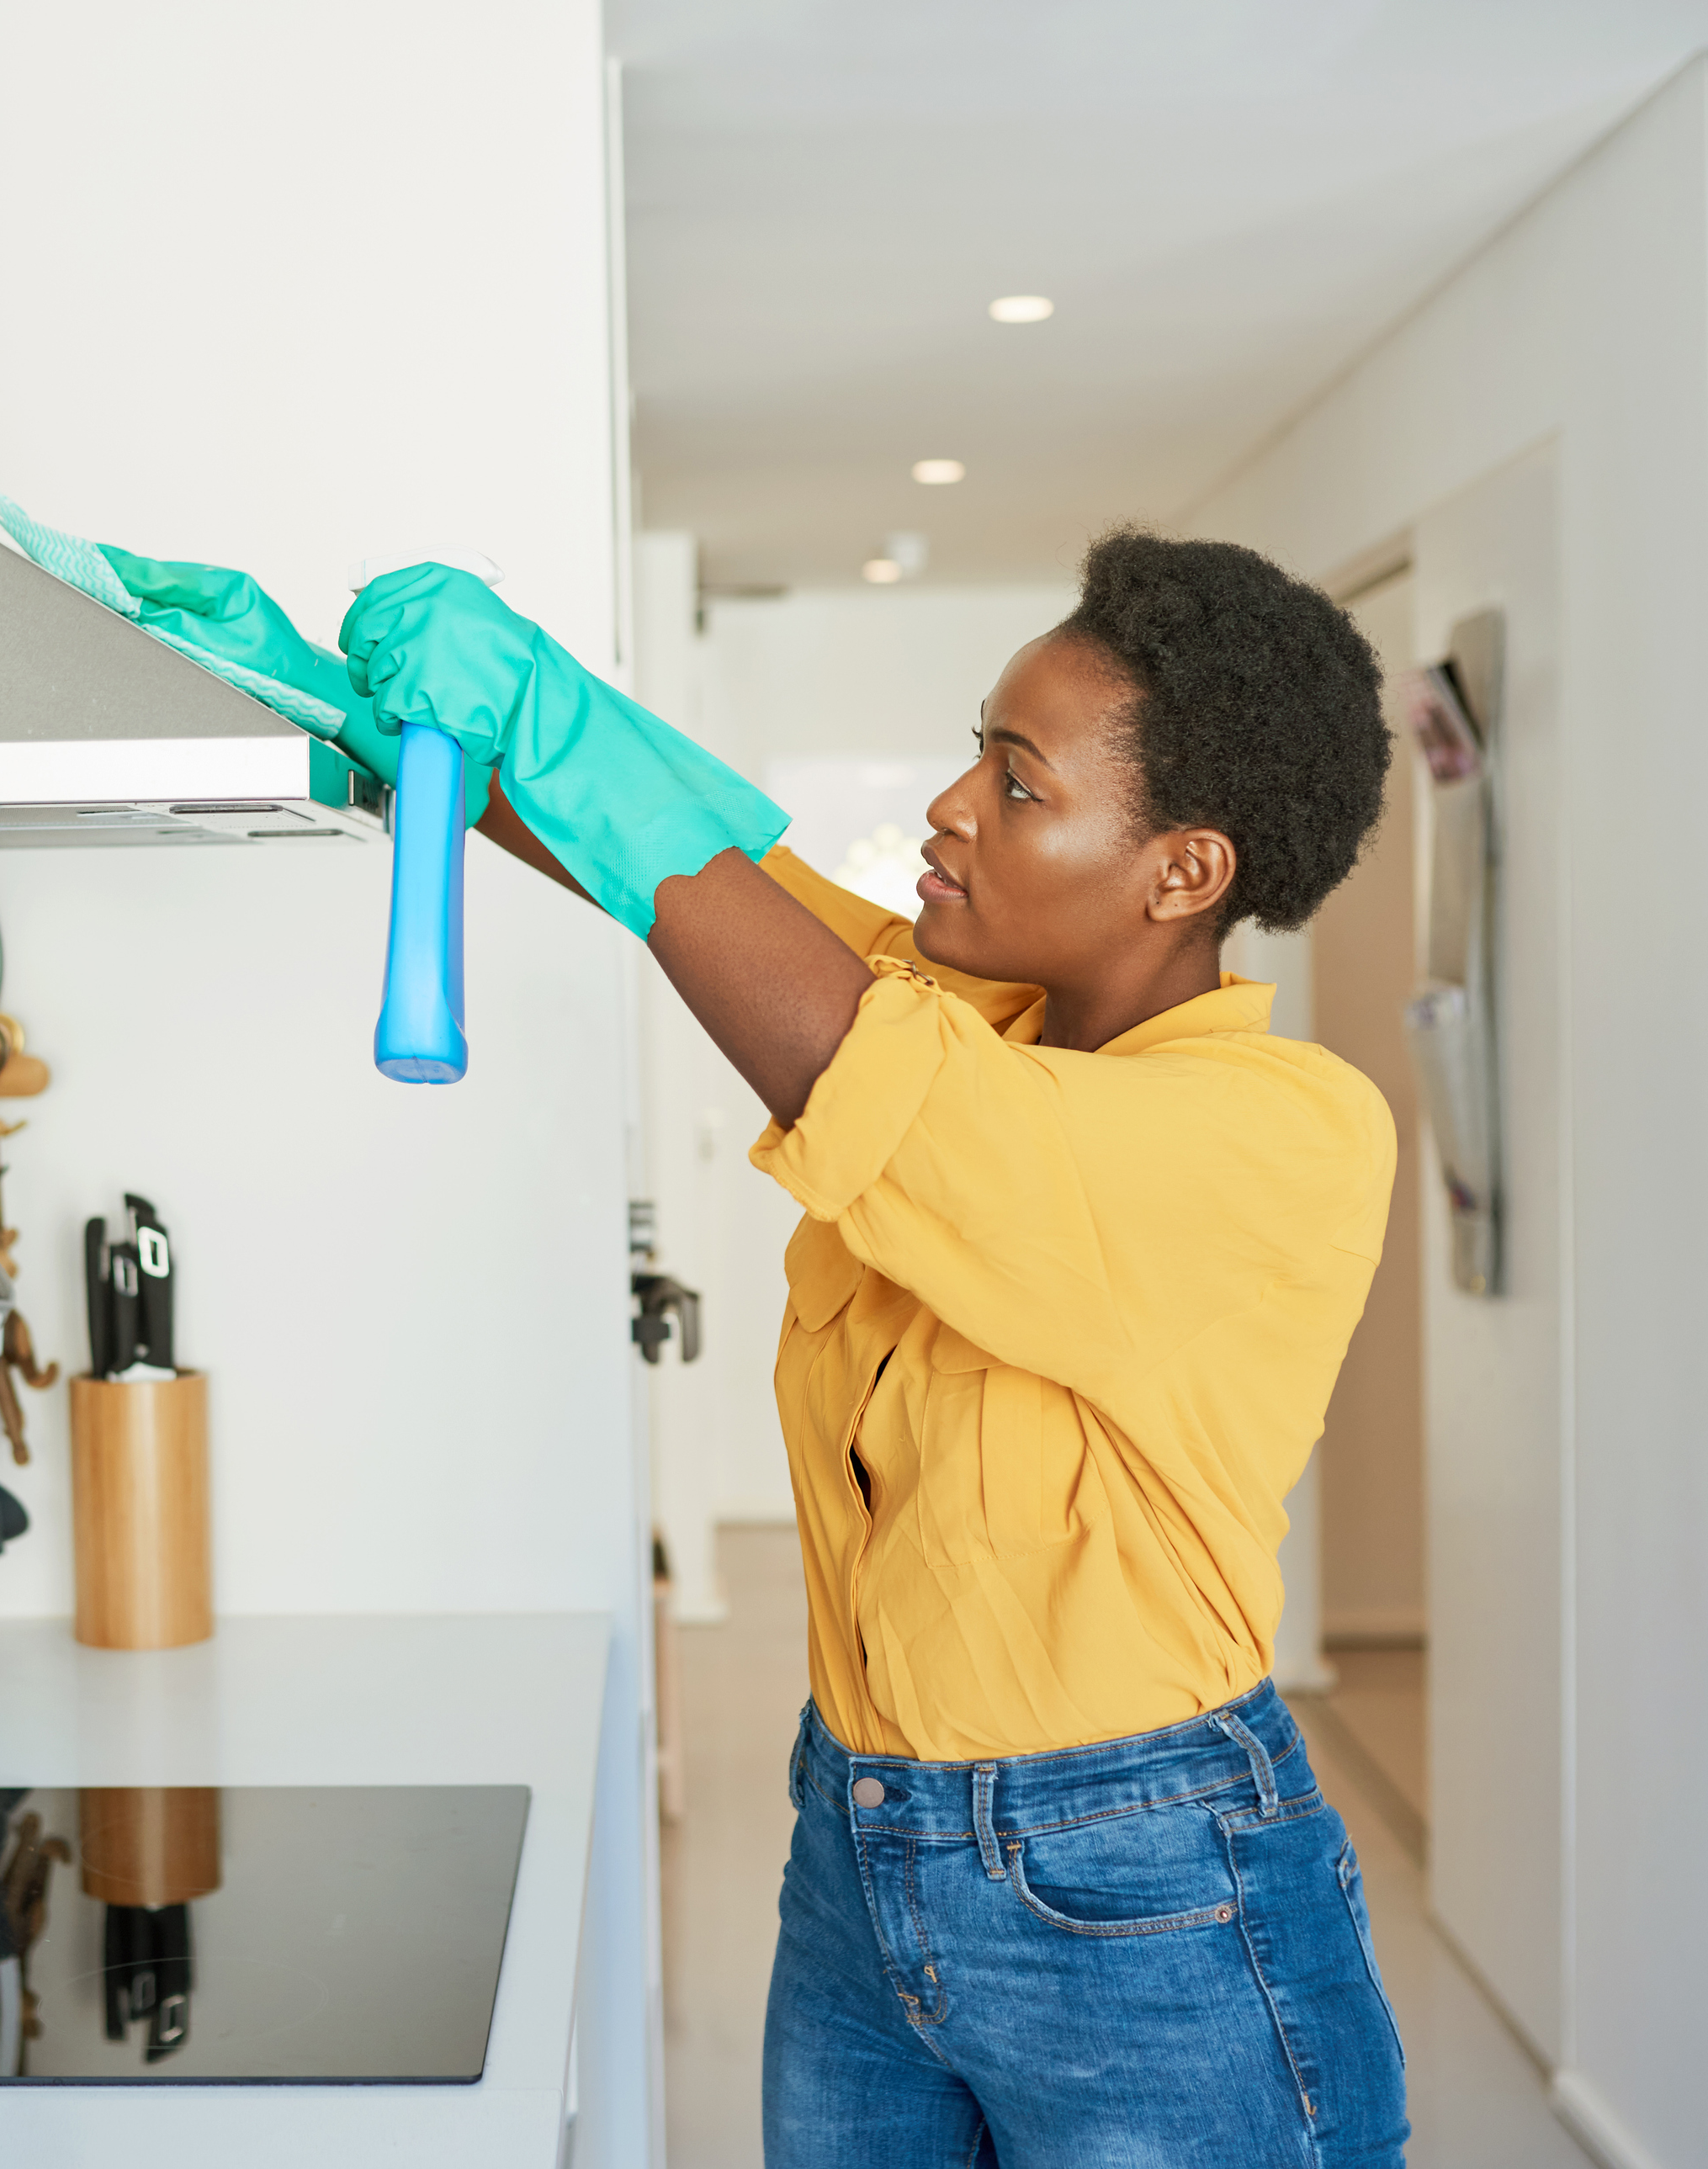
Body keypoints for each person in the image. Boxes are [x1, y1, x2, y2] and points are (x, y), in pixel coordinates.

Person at [88, 525, 1406, 2168]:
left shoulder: (1285, 1130)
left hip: (1146, 1886)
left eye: (1015, 782)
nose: (950, 806)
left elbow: (843, 1046)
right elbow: (709, 869)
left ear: (1184, 869)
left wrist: (548, 719)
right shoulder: (968, 1008)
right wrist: (344, 707)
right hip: (860, 1843)